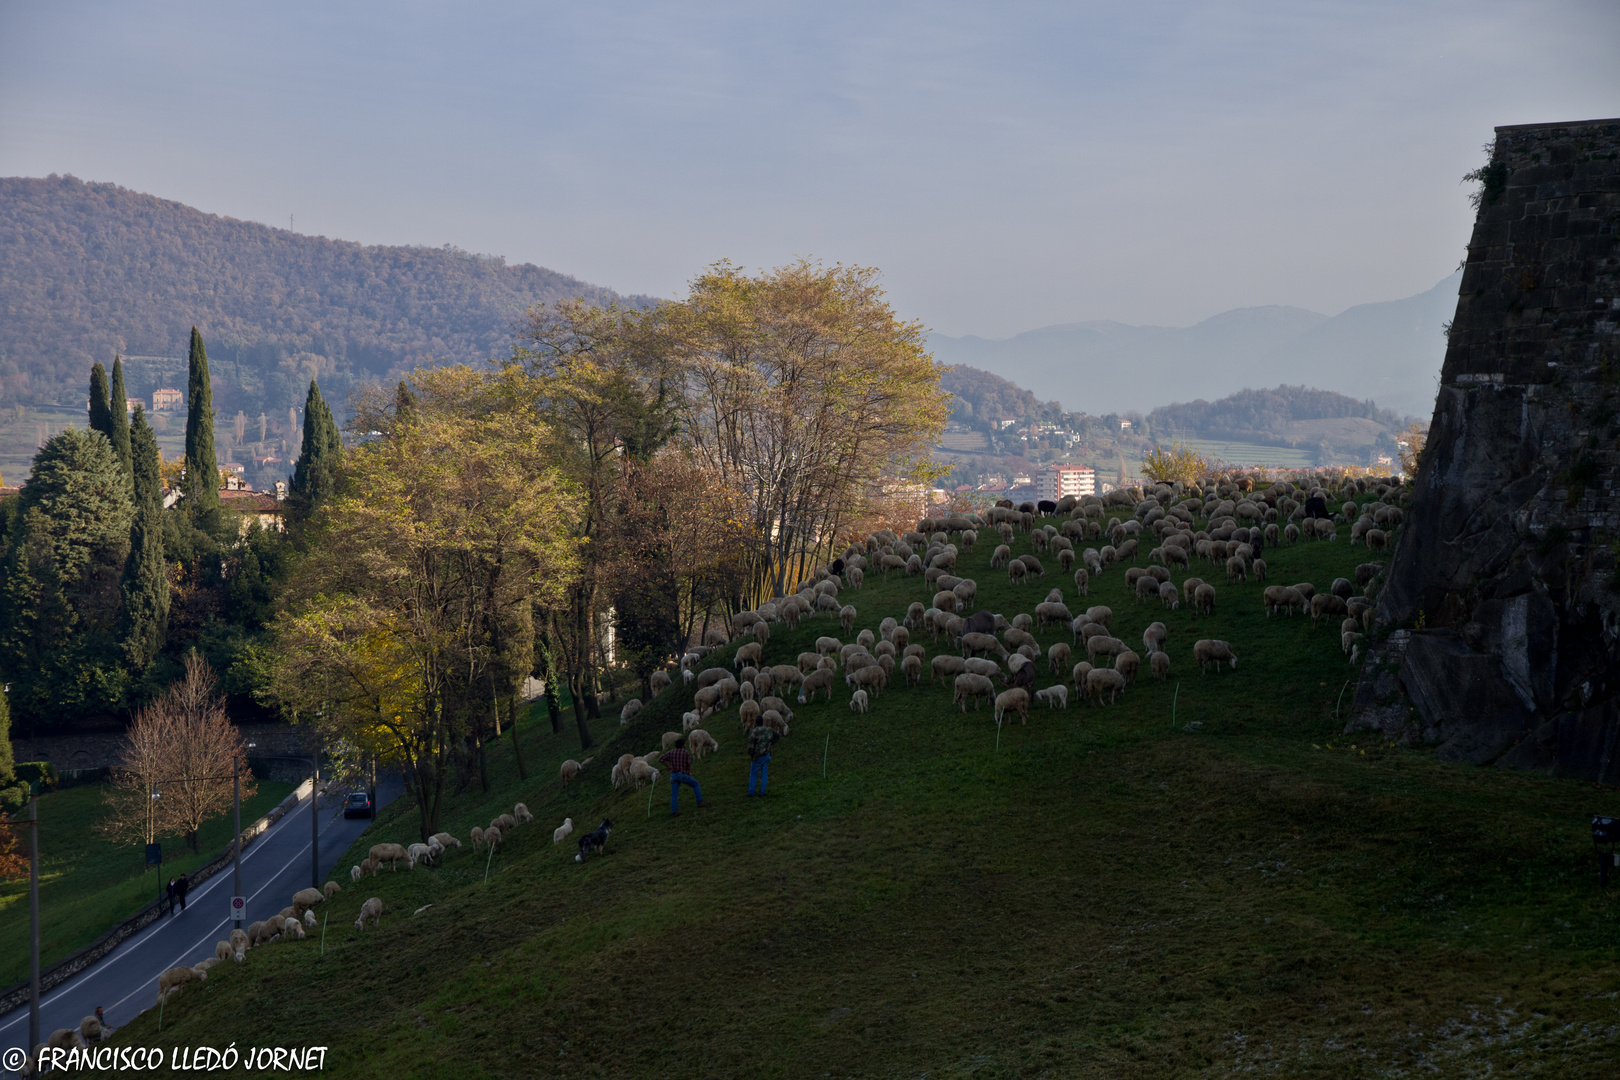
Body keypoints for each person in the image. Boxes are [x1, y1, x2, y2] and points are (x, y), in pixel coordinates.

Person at [662, 737, 705, 816]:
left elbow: (661, 759)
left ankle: (674, 811)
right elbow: (688, 763)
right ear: (682, 745)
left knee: (674, 794)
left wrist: (668, 766)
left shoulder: (671, 752)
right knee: (695, 784)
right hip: (682, 774)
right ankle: (700, 802)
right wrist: (689, 772)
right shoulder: (684, 752)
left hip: (673, 775)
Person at [746, 716, 780, 797]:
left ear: (756, 722)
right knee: (764, 773)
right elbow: (778, 736)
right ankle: (762, 792)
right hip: (766, 754)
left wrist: (751, 754)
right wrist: (771, 743)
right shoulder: (768, 729)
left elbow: (750, 745)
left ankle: (752, 792)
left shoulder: (754, 731)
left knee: (754, 774)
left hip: (757, 756)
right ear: (763, 722)